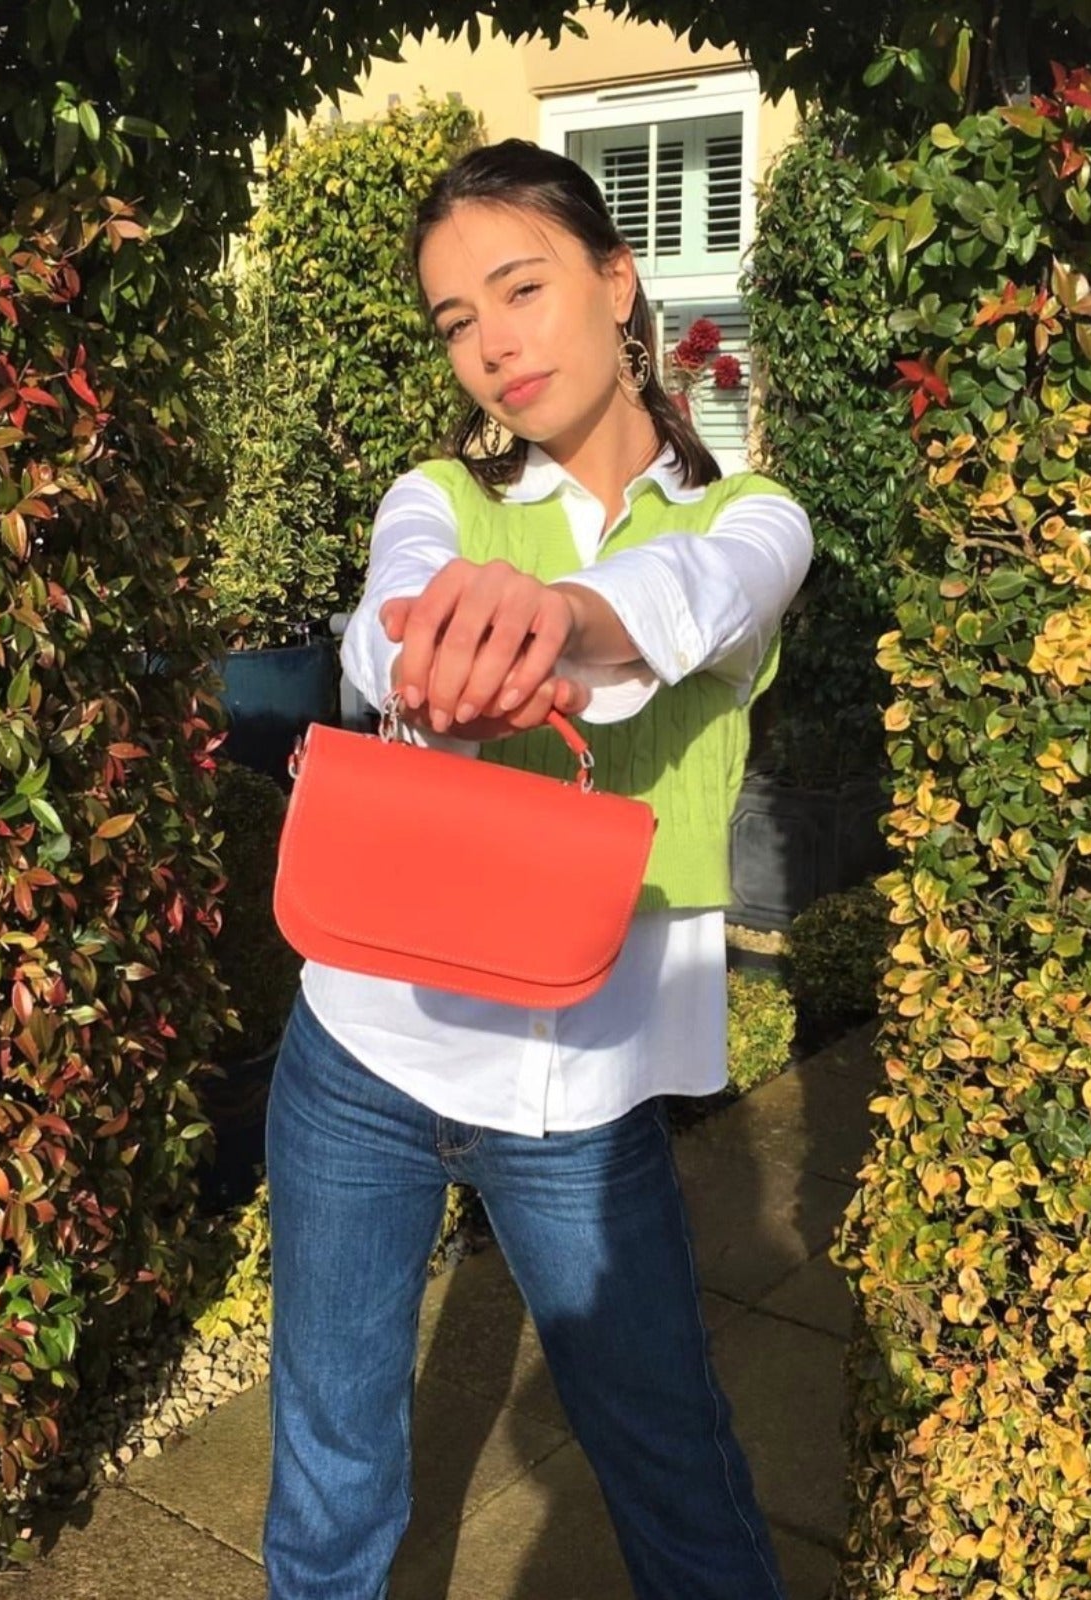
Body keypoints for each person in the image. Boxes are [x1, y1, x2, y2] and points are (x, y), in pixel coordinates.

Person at [262, 138, 813, 1600]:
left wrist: (555, 621)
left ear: (620, 284)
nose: (493, 342)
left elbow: (685, 602)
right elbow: (384, 627)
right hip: (361, 1056)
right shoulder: (437, 495)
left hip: (580, 1096)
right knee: (329, 1482)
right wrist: (433, 638)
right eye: (457, 319)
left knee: (672, 1475)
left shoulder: (750, 520)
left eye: (522, 286)